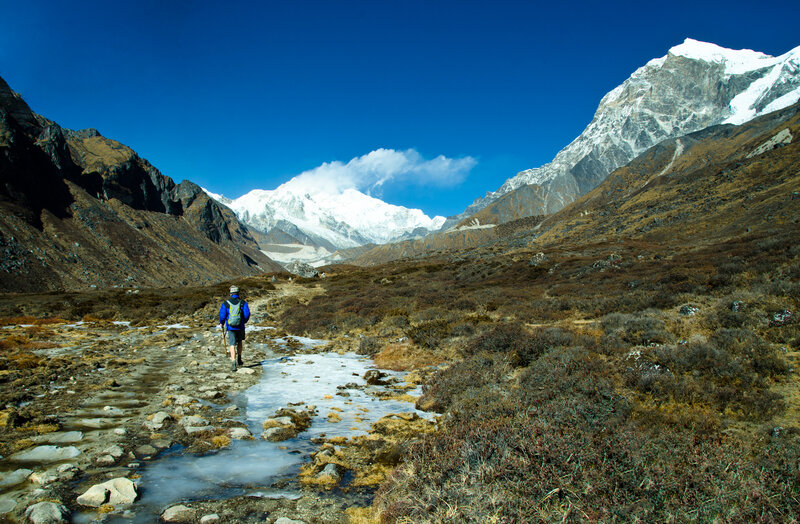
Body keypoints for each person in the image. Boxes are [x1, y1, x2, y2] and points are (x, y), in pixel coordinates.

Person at [219, 285, 250, 371]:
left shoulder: (226, 303)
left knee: (232, 344)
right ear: (238, 293)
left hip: (230, 327)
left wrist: (222, 323)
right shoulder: (243, 303)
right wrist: (244, 321)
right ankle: (239, 359)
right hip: (240, 326)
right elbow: (247, 314)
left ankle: (233, 363)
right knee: (239, 342)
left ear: (231, 293)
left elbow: (222, 315)